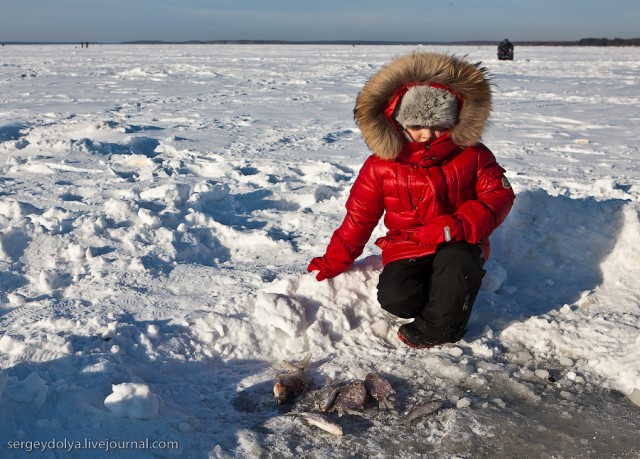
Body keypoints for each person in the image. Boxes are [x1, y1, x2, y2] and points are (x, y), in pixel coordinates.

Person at [307, 51, 515, 349]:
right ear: (397, 121)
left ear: (455, 121)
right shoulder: (381, 165)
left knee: (456, 262)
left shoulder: (473, 155)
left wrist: (454, 226)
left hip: (459, 241)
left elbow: (499, 194)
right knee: (397, 299)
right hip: (409, 245)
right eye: (417, 125)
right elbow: (359, 218)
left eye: (440, 126)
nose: (427, 134)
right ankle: (445, 295)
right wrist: (334, 261)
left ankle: (441, 328)